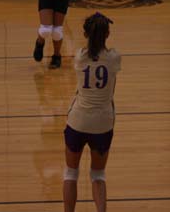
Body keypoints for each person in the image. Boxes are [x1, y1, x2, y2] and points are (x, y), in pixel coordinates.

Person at [63, 12, 121, 212]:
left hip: (77, 121)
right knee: (98, 175)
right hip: (103, 124)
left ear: (85, 34)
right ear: (107, 34)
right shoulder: (114, 58)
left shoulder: (79, 57)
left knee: (71, 173)